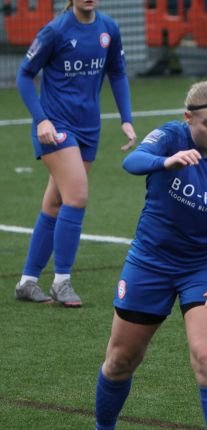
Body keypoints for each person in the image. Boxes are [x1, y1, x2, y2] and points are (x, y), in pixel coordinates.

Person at [79, 80, 207, 430]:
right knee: (121, 359)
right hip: (152, 262)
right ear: (188, 118)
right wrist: (166, 162)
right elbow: (132, 162)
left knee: (206, 354)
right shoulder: (168, 136)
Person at [14, 0, 137, 307]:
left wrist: (126, 119)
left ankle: (28, 282)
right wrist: (41, 119)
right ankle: (61, 281)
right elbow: (24, 75)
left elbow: (118, 73)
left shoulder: (109, 28)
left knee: (56, 202)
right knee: (77, 196)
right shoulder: (55, 30)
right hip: (55, 127)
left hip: (88, 128)